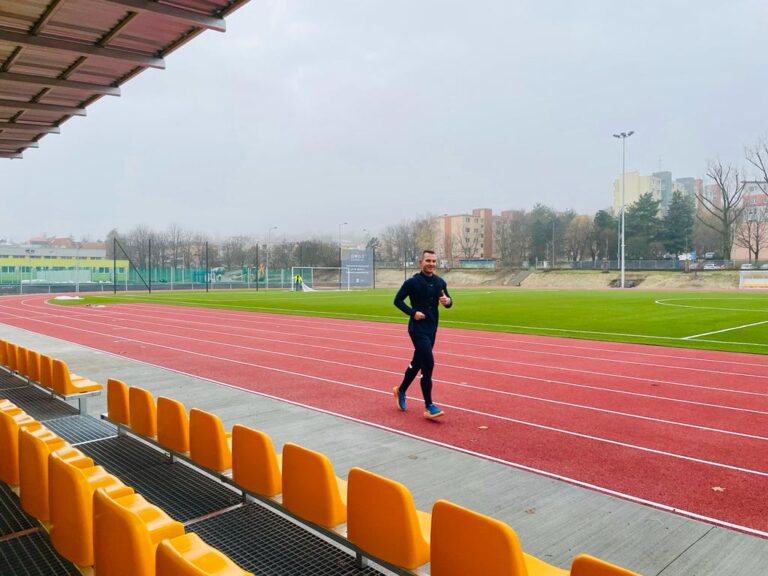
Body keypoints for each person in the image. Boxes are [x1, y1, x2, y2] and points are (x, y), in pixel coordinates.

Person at [393, 249, 453, 419]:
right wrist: (413, 313)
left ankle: (401, 389)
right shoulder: (412, 282)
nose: (431, 264)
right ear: (421, 262)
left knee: (418, 362)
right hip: (417, 329)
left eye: (434, 261)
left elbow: (448, 301)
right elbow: (397, 301)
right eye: (428, 261)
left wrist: (448, 301)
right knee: (428, 362)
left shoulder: (440, 282)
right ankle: (429, 406)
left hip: (432, 328)